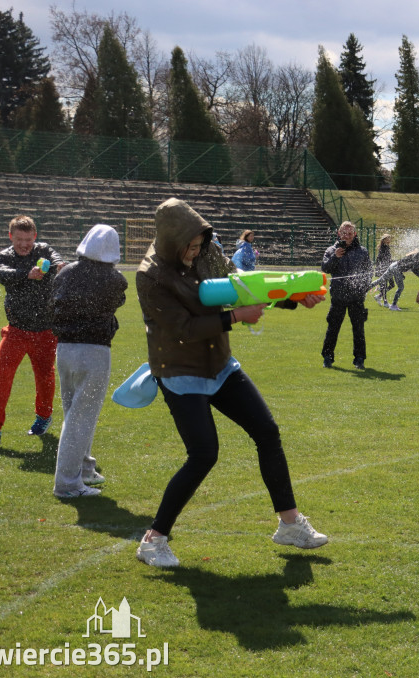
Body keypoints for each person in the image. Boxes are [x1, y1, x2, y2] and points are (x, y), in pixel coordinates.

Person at [134, 198, 327, 568]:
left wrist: (294, 297)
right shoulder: (150, 274)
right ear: (173, 241)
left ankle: (290, 525)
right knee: (204, 454)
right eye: (189, 247)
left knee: (267, 431)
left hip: (218, 362)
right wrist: (236, 317)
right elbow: (179, 330)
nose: (195, 252)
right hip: (179, 369)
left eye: (198, 245)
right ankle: (153, 540)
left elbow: (241, 286)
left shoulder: (206, 252)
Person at [50, 224, 128, 498]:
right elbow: (117, 301)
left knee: (73, 412)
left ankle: (83, 469)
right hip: (94, 351)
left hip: (64, 350)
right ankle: (68, 484)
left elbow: (54, 304)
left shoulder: (67, 271)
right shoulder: (116, 279)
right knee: (82, 418)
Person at [0, 216, 64, 445]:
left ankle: (44, 417)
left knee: (45, 376)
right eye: (19, 240)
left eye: (28, 239)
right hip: (16, 330)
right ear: (10, 237)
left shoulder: (44, 250)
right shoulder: (5, 256)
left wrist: (61, 266)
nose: (24, 244)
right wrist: (27, 274)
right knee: (1, 374)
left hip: (46, 331)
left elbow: (57, 260)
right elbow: (1, 273)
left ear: (35, 237)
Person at [320, 221, 372, 369]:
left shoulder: (362, 251)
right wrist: (335, 257)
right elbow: (325, 268)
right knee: (333, 328)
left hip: (357, 297)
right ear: (339, 233)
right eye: (344, 233)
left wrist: (363, 287)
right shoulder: (331, 250)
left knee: (359, 330)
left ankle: (360, 359)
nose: (347, 236)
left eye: (350, 233)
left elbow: (369, 272)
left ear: (354, 234)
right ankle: (328, 357)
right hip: (338, 297)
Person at [374, 233, 393, 306]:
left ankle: (379, 296)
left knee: (392, 284)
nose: (389, 239)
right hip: (383, 269)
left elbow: (388, 259)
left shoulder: (387, 247)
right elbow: (379, 259)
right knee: (384, 285)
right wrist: (379, 269)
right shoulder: (383, 248)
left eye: (389, 238)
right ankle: (385, 302)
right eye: (388, 238)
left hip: (387, 268)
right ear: (384, 240)